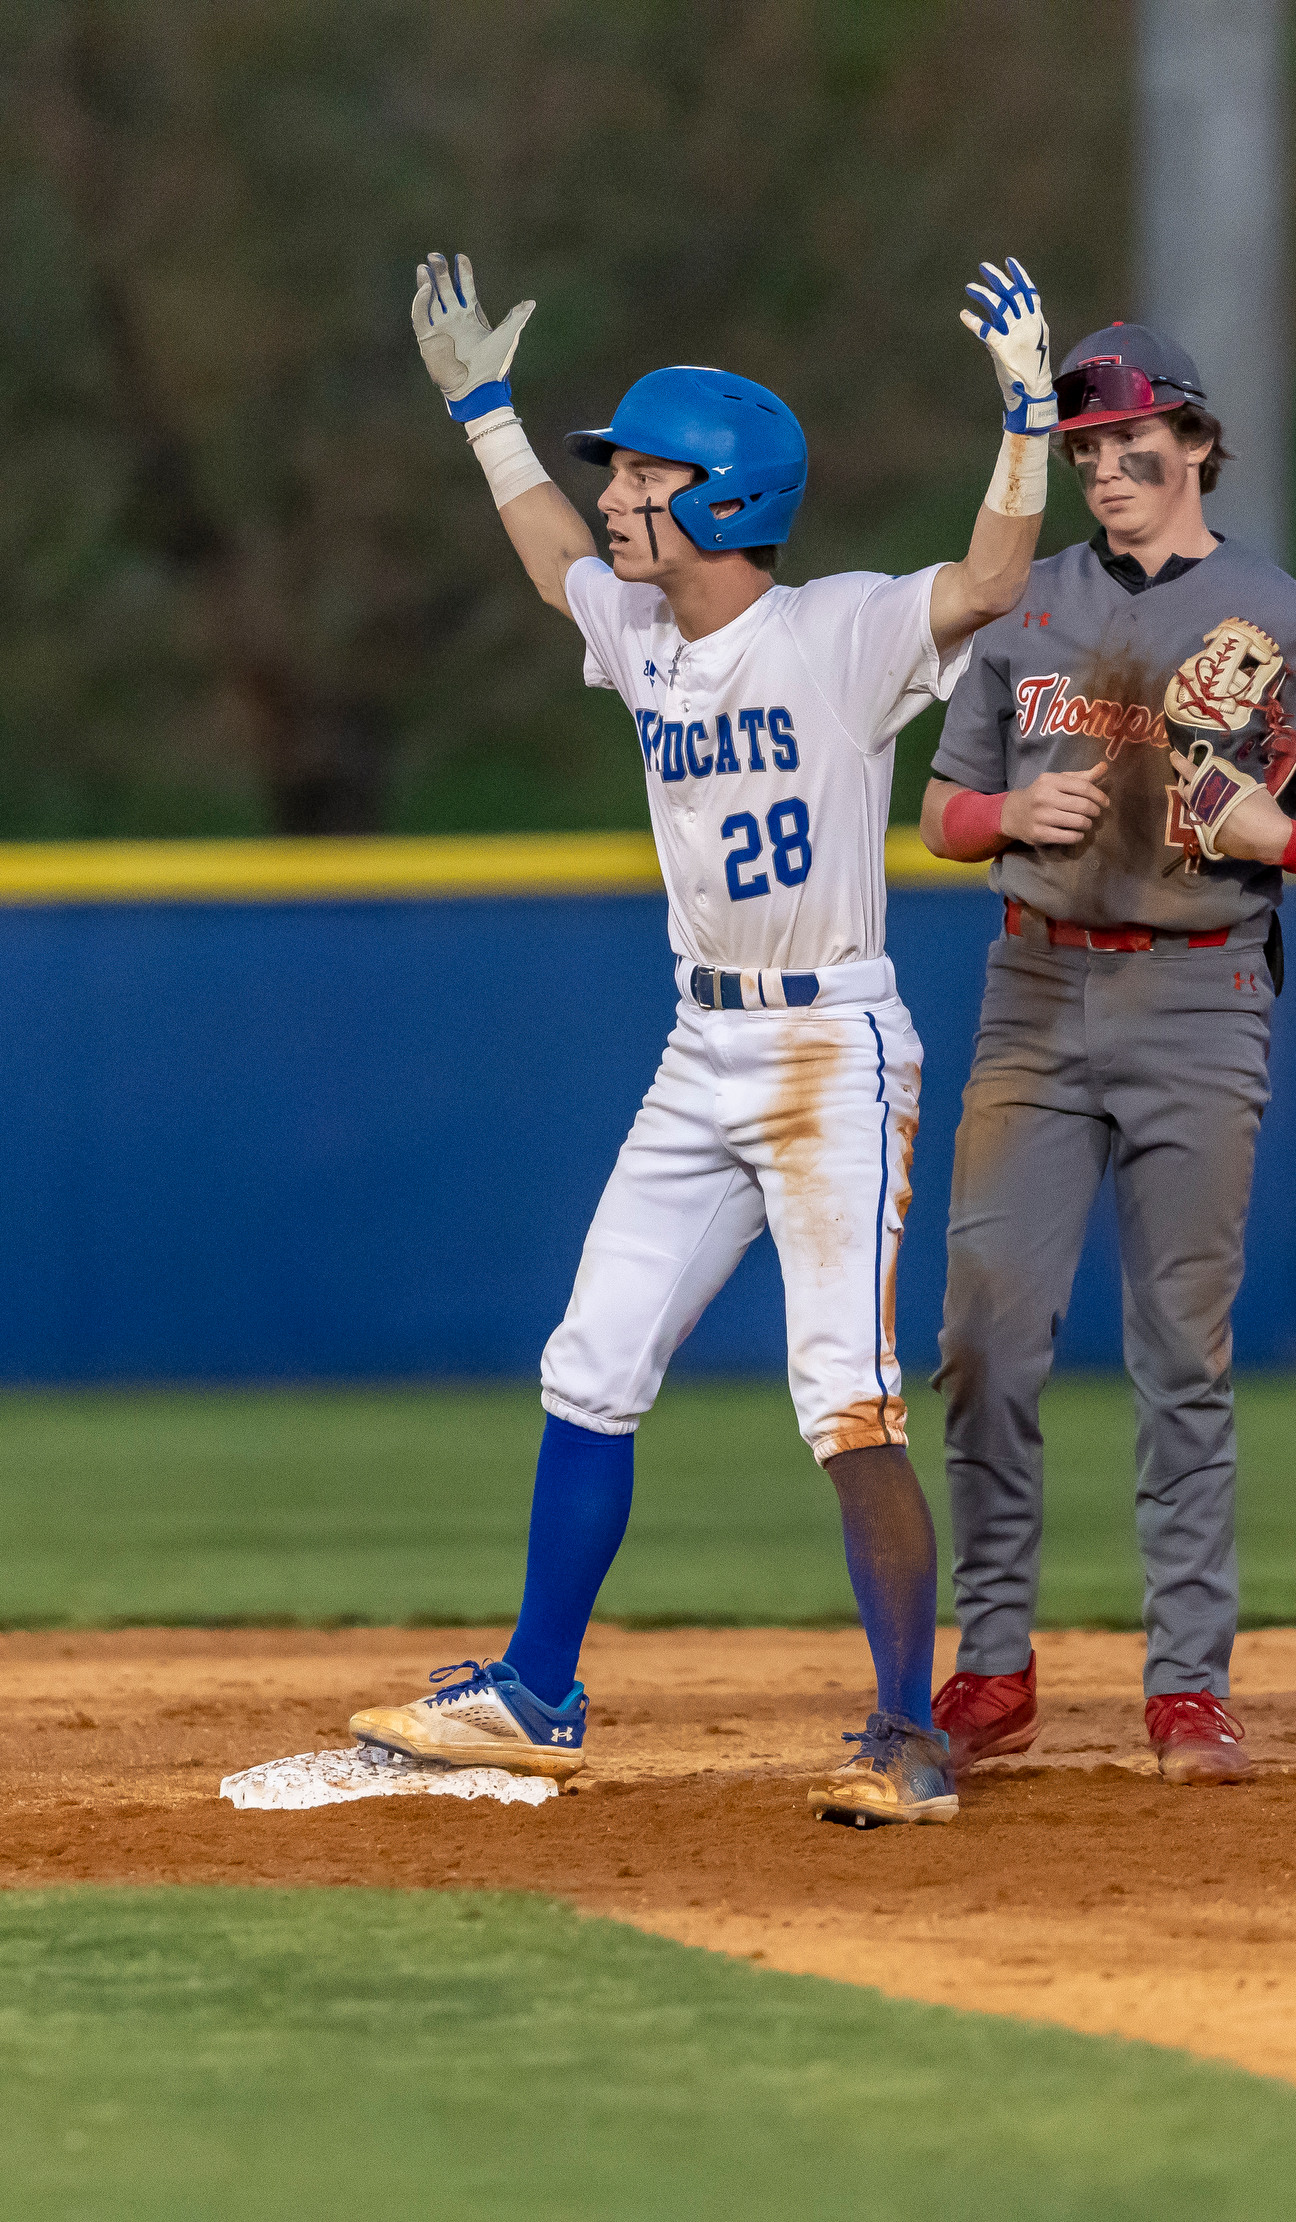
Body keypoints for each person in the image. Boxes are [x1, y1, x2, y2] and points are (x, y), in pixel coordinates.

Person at [349, 250, 1058, 1825]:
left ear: (727, 501)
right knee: (590, 1357)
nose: (617, 494)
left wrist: (1024, 417)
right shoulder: (645, 628)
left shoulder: (837, 633)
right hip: (700, 1047)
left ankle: (903, 1730)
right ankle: (537, 1690)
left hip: (827, 1052)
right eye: (618, 470)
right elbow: (550, 560)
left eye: (646, 473)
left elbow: (991, 582)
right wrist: (483, 411)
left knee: (843, 1394)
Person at [920, 320, 1296, 1786]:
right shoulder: (1024, 605)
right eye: (1078, 446)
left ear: (1194, 440)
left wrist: (1281, 837)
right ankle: (991, 1668)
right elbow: (942, 815)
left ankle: (1186, 1686)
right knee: (984, 1337)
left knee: (1178, 1355)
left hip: (1201, 996)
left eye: (1126, 440)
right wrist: (1010, 819)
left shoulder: (1284, 613)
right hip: (1037, 992)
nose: (1101, 466)